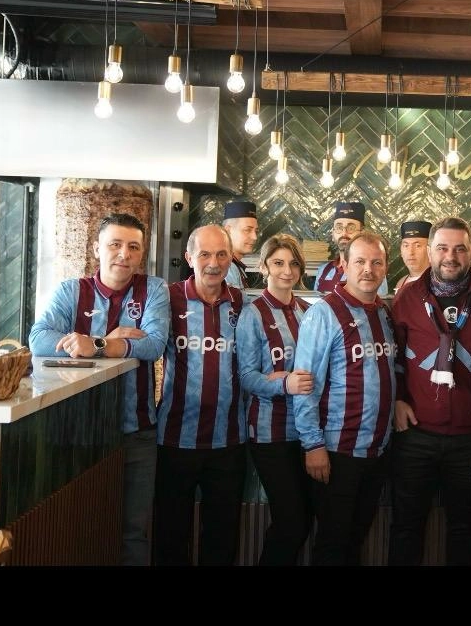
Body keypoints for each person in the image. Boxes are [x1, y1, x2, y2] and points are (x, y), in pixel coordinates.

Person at [28, 212, 169, 566]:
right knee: (81, 526)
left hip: (137, 431)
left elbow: (154, 344)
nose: (124, 254)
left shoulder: (154, 290)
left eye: (133, 247)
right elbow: (38, 340)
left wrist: (97, 344)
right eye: (115, 244)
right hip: (79, 433)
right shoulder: (71, 291)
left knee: (133, 532)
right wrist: (109, 341)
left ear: (142, 253)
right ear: (96, 249)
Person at [388, 217, 471, 565]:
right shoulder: (406, 297)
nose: (451, 256)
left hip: (470, 437)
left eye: (459, 249)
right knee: (406, 527)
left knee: (465, 528)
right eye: (443, 248)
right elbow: (393, 358)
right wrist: (398, 399)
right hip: (415, 434)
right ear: (430, 251)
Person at [293, 231, 397, 565]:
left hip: (377, 451)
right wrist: (313, 445)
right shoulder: (324, 313)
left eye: (377, 262)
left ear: (385, 267)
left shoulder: (383, 313)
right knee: (332, 546)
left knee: (355, 542)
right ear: (343, 264)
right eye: (360, 261)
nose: (369, 269)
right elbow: (306, 384)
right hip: (337, 452)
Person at [154, 224, 247, 566]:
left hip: (229, 440)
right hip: (175, 438)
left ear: (231, 259)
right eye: (205, 254)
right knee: (170, 534)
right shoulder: (168, 299)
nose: (214, 263)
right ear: (189, 257)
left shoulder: (241, 302)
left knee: (222, 537)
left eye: (222, 254)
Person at [235, 233, 315, 565]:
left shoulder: (309, 311)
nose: (287, 271)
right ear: (264, 266)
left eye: (294, 264)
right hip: (270, 433)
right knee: (291, 521)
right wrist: (284, 383)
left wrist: (284, 378)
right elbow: (247, 377)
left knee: (304, 518)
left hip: (308, 432)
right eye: (278, 263)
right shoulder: (253, 314)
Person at [314, 200, 389, 296]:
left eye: (351, 228)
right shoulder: (323, 270)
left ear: (361, 233)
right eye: (339, 227)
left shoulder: (372, 271)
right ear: (333, 234)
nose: (344, 233)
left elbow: (376, 303)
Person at [222, 200, 259, 289]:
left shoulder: (236, 265)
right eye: (247, 230)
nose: (255, 237)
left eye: (256, 231)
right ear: (228, 230)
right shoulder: (227, 267)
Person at [393, 219, 431, 293]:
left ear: (430, 249)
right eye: (406, 245)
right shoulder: (401, 284)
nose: (411, 252)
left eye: (418, 246)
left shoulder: (440, 283)